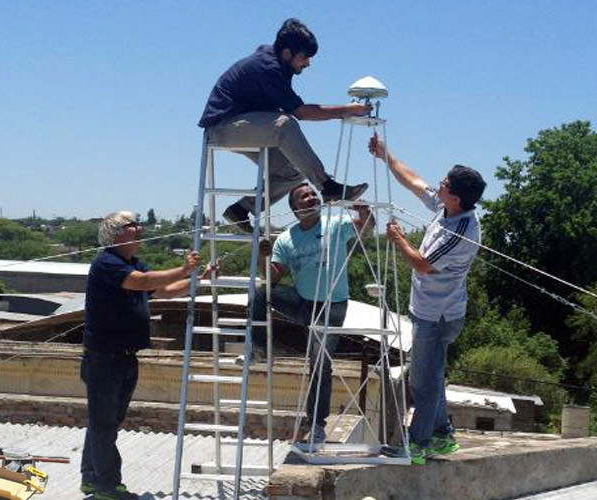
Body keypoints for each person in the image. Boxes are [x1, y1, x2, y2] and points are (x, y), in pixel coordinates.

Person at [368, 136, 486, 465]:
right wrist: (386, 155)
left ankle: (417, 443)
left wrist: (399, 239)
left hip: (439, 316)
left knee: (424, 381)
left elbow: (422, 264)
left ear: (457, 197)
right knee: (430, 375)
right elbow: (414, 181)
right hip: (428, 312)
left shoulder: (460, 231)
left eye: (445, 183)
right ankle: (444, 434)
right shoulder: (448, 207)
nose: (439, 183)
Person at [80, 210, 213, 499]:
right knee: (104, 423)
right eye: (132, 225)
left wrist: (198, 279)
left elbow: (162, 290)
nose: (139, 228)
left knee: (105, 421)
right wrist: (183, 269)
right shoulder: (107, 263)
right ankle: (107, 485)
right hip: (105, 358)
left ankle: (91, 478)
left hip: (125, 356)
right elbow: (141, 282)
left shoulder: (132, 264)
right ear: (116, 234)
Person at [198, 18, 372, 233]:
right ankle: (327, 187)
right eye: (305, 57)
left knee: (293, 171)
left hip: (247, 126)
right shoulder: (269, 68)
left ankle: (242, 209)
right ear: (287, 53)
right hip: (222, 128)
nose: (308, 63)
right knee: (284, 125)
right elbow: (302, 113)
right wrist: (346, 110)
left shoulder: (278, 64)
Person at [247, 183, 373, 443]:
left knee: (320, 364)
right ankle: (259, 347)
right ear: (295, 209)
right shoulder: (286, 239)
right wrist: (263, 257)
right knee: (260, 293)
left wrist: (365, 212)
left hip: (331, 307)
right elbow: (271, 279)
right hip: (304, 303)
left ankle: (316, 424)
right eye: (304, 196)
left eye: (313, 194)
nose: (311, 197)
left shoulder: (335, 225)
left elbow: (366, 228)